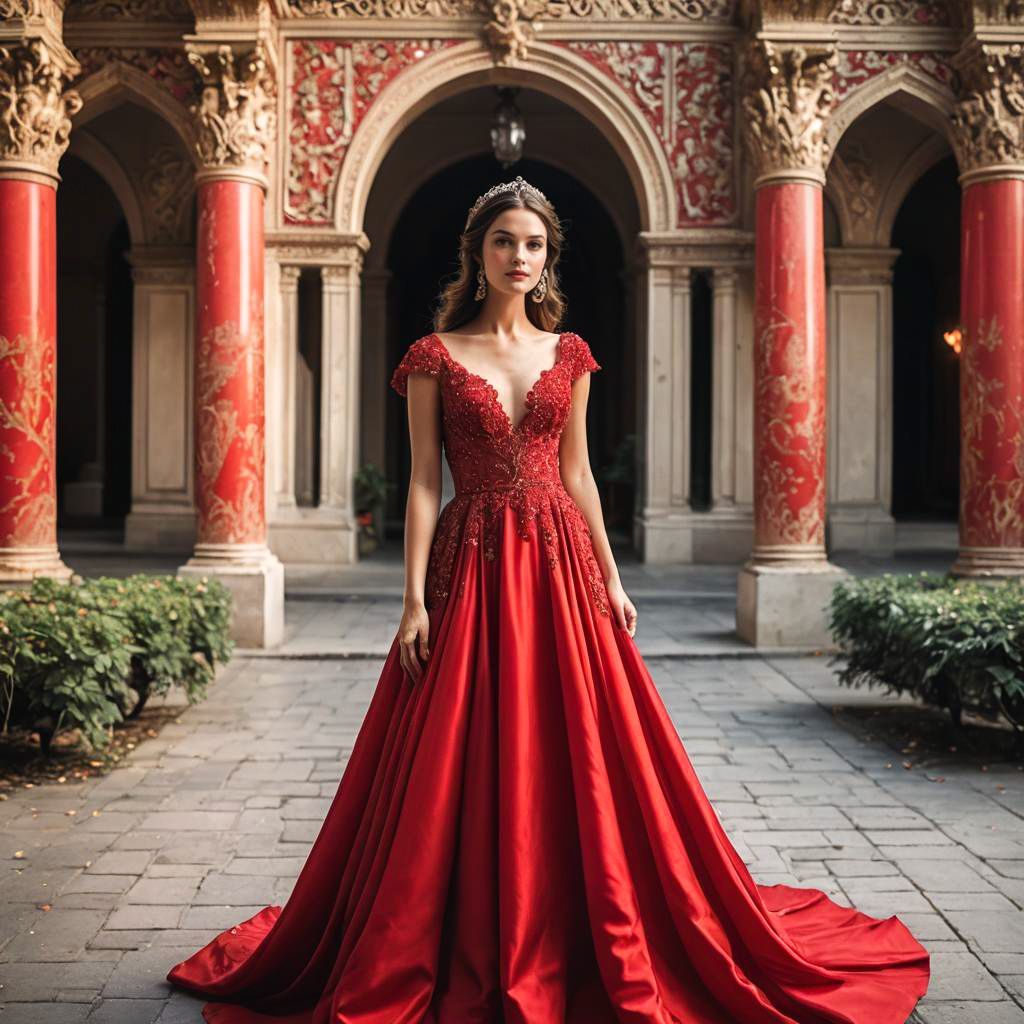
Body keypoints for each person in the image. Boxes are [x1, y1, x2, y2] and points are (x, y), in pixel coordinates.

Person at [166, 176, 930, 1023]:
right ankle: (453, 920)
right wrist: (413, 599)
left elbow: (578, 475)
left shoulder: (570, 353)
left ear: (547, 257)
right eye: (503, 241)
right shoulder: (434, 354)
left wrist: (611, 574)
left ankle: (576, 909)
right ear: (478, 251)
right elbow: (424, 483)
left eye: (533, 244)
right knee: (460, 742)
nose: (518, 257)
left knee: (588, 747)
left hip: (560, 560)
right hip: (473, 560)